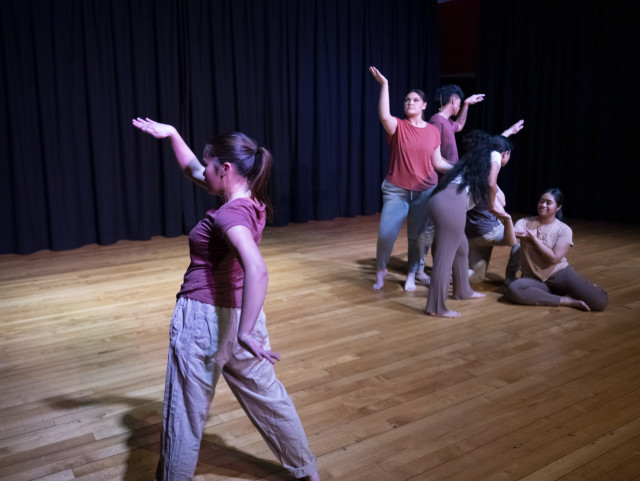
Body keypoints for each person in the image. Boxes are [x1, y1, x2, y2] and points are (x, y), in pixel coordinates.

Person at [132, 118, 320, 481]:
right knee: (270, 400)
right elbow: (192, 170)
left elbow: (257, 269)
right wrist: (172, 134)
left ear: (227, 168)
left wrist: (245, 332)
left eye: (210, 164)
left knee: (185, 416)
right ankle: (307, 471)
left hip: (203, 322)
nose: (204, 171)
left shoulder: (229, 214)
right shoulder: (249, 200)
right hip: (240, 315)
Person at [368, 66, 452, 291]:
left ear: (424, 105)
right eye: (407, 100)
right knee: (386, 234)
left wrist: (459, 169)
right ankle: (381, 270)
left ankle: (412, 274)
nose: (410, 103)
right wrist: (385, 85)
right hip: (397, 189)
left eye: (415, 100)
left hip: (425, 190)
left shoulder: (433, 131)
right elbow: (384, 115)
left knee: (417, 236)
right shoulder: (398, 126)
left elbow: (438, 163)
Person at [424, 136, 512, 318]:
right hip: (451, 203)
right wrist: (492, 205)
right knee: (444, 258)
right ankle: (436, 307)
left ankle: (462, 290)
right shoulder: (495, 155)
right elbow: (491, 183)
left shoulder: (478, 158)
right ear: (506, 153)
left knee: (461, 248)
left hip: (439, 200)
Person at [416, 85, 484, 284]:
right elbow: (432, 156)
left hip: (447, 181)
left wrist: (467, 104)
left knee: (438, 229)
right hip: (437, 183)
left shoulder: (445, 121)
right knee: (428, 229)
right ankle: (419, 269)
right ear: (453, 100)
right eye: (460, 102)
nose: (459, 106)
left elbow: (459, 126)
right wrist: (458, 169)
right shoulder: (436, 122)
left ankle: (440, 268)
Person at [503, 188, 608, 311]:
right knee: (514, 289)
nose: (543, 205)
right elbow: (511, 242)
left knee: (600, 302)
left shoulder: (564, 230)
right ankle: (565, 300)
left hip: (559, 274)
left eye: (548, 203)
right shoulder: (524, 222)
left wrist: (534, 239)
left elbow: (553, 259)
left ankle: (583, 287)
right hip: (533, 278)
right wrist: (508, 220)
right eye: (541, 201)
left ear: (558, 207)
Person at [463, 121, 525, 283]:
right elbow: (501, 201)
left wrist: (508, 131)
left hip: (471, 235)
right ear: (505, 154)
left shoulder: (473, 166)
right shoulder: (489, 176)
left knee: (477, 277)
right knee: (523, 236)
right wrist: (493, 202)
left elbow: (493, 146)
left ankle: (450, 274)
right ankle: (510, 276)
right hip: (488, 233)